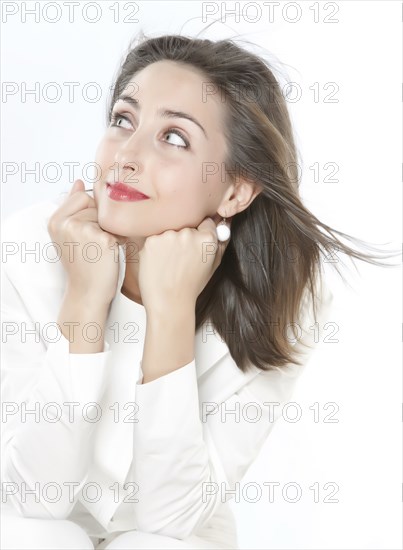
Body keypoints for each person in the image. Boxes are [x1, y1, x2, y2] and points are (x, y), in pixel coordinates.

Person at [1, 34, 395, 550]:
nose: (126, 156)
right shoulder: (26, 248)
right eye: (124, 120)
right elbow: (28, 500)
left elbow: (171, 520)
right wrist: (84, 304)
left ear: (235, 191)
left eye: (174, 138)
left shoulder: (286, 299)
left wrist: (171, 311)